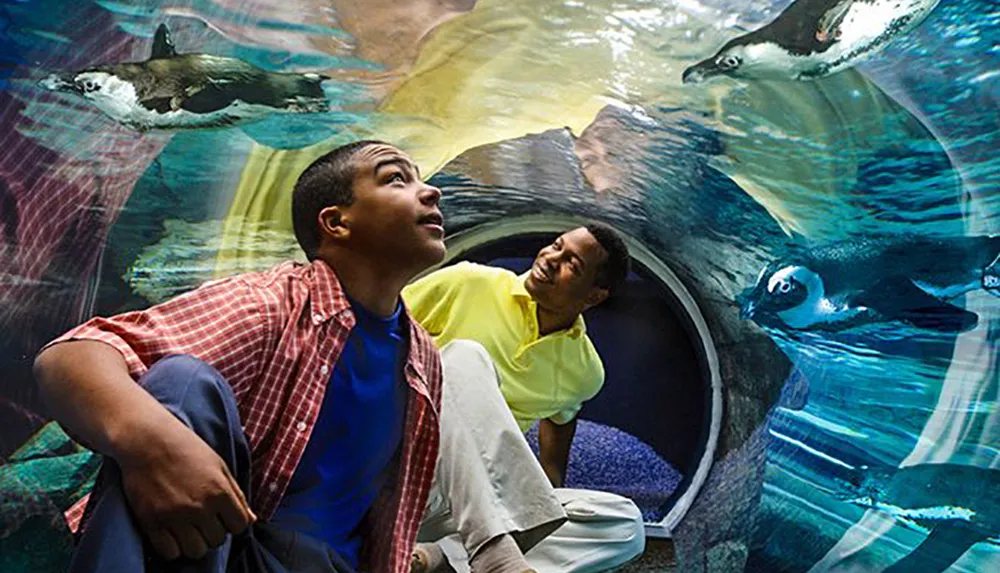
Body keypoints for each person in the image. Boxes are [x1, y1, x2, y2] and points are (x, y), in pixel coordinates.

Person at [32, 140, 551, 573]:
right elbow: (69, 360)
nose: (431, 189)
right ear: (336, 222)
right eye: (396, 178)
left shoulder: (421, 356)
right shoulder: (274, 303)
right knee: (183, 383)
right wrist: (155, 446)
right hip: (233, 544)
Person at [403, 222, 646, 572]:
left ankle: (435, 557)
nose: (549, 258)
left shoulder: (584, 372)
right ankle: (494, 556)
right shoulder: (468, 282)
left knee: (624, 525)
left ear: (594, 296)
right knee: (464, 357)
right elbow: (374, 325)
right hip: (399, 463)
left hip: (457, 506)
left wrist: (546, 498)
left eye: (571, 264)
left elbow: (559, 429)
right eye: (555, 245)